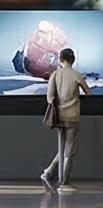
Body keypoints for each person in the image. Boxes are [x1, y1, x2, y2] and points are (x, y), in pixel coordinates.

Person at [40, 47, 92, 193]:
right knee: (70, 150)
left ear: (60, 59)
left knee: (62, 148)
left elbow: (49, 97)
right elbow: (88, 93)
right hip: (72, 117)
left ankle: (48, 172)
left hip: (58, 118)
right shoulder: (77, 75)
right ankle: (64, 182)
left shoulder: (55, 75)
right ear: (73, 60)